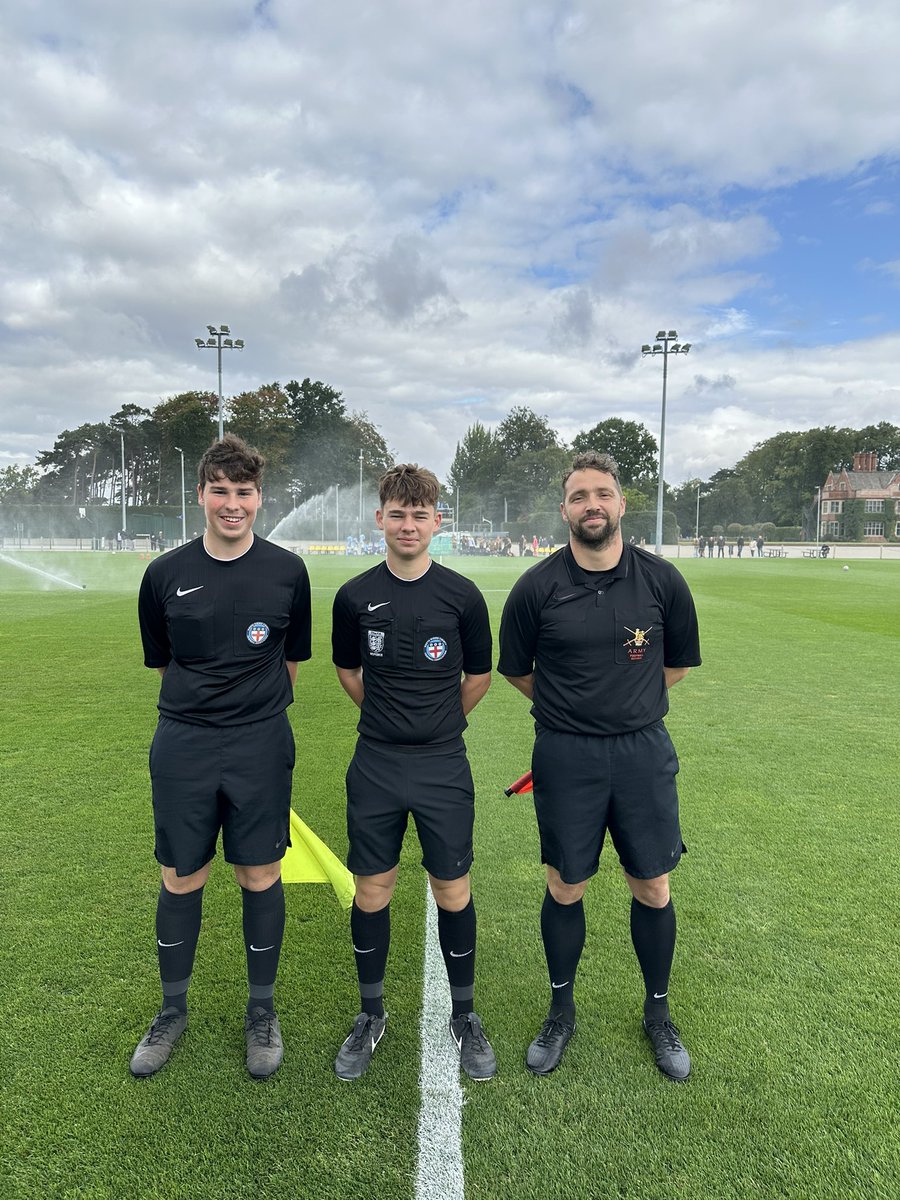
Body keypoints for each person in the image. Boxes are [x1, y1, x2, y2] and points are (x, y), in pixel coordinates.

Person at [498, 450, 701, 1081]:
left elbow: (678, 666)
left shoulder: (662, 581)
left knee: (653, 884)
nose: (592, 505)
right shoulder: (537, 586)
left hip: (642, 753)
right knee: (566, 884)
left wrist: (627, 710)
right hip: (566, 755)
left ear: (620, 502)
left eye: (602, 493)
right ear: (564, 509)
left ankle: (658, 1013)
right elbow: (517, 670)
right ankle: (561, 1008)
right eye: (579, 495)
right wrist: (574, 713)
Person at [132, 434, 312, 1080]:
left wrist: (249, 717)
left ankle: (260, 1011)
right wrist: (203, 717)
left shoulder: (289, 571)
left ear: (259, 498)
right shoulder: (164, 575)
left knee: (259, 874)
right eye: (220, 491)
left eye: (244, 492)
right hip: (183, 742)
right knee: (182, 875)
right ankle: (171, 1010)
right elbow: (163, 664)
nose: (231, 504)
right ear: (201, 493)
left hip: (261, 742)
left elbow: (291, 665)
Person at [331, 464, 496, 1082]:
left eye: (419, 514)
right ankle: (370, 1016)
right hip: (374, 763)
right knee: (372, 891)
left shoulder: (463, 596)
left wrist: (434, 724)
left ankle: (465, 1015)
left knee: (452, 889)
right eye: (396, 513)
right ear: (380, 518)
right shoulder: (354, 596)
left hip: (442, 765)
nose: (407, 524)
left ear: (436, 521)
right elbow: (349, 673)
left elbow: (477, 677)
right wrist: (388, 718)